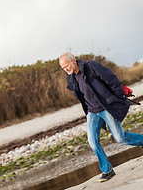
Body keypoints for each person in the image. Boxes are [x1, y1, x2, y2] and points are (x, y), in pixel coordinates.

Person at [59, 52, 143, 182]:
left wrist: (119, 97)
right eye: (63, 68)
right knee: (92, 141)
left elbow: (111, 79)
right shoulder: (71, 78)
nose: (66, 69)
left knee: (120, 138)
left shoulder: (90, 66)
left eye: (67, 66)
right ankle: (107, 170)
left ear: (74, 61)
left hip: (106, 108)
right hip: (92, 112)